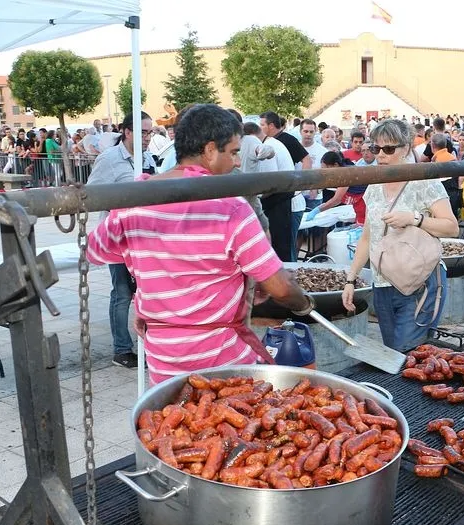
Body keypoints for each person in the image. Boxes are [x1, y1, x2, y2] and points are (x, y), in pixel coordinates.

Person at [87, 104, 313, 383]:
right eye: (232, 152)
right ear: (209, 150)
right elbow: (279, 287)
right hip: (224, 364)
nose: (237, 162)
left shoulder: (135, 200)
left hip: (165, 363)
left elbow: (96, 249)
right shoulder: (231, 207)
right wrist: (304, 304)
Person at [341, 119, 459, 351]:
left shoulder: (423, 182)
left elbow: (451, 227)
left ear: (405, 148)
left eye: (388, 149)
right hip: (383, 282)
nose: (381, 155)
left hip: (419, 282)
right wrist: (351, 279)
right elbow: (367, 237)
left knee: (408, 352)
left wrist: (415, 219)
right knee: (393, 351)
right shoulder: (374, 187)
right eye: (376, 149)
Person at [86, 111, 157, 369]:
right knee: (122, 292)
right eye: (143, 132)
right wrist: (122, 202)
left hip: (144, 235)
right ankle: (122, 349)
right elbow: (93, 194)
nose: (148, 137)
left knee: (145, 291)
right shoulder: (110, 159)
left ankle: (149, 346)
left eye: (150, 132)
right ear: (127, 131)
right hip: (118, 237)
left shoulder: (147, 157)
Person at [257, 112, 298, 262]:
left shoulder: (267, 146)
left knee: (278, 249)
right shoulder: (272, 143)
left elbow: (269, 185)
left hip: (278, 202)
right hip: (281, 199)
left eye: (262, 125)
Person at [317, 151, 367, 222]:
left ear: (335, 165)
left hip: (365, 203)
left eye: (326, 169)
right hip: (359, 204)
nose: (325, 172)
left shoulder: (345, 173)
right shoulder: (342, 170)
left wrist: (317, 210)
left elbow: (337, 200)